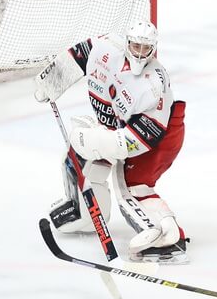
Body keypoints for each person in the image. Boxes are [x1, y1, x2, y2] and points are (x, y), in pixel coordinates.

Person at [33, 21, 188, 263]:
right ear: (127, 43)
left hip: (159, 137)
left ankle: (168, 236)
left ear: (153, 49)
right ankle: (84, 214)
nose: (139, 53)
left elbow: (137, 140)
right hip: (119, 126)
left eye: (145, 48)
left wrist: (94, 140)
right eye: (135, 46)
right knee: (79, 157)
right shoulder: (105, 47)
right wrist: (52, 80)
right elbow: (78, 55)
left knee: (132, 186)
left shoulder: (153, 84)